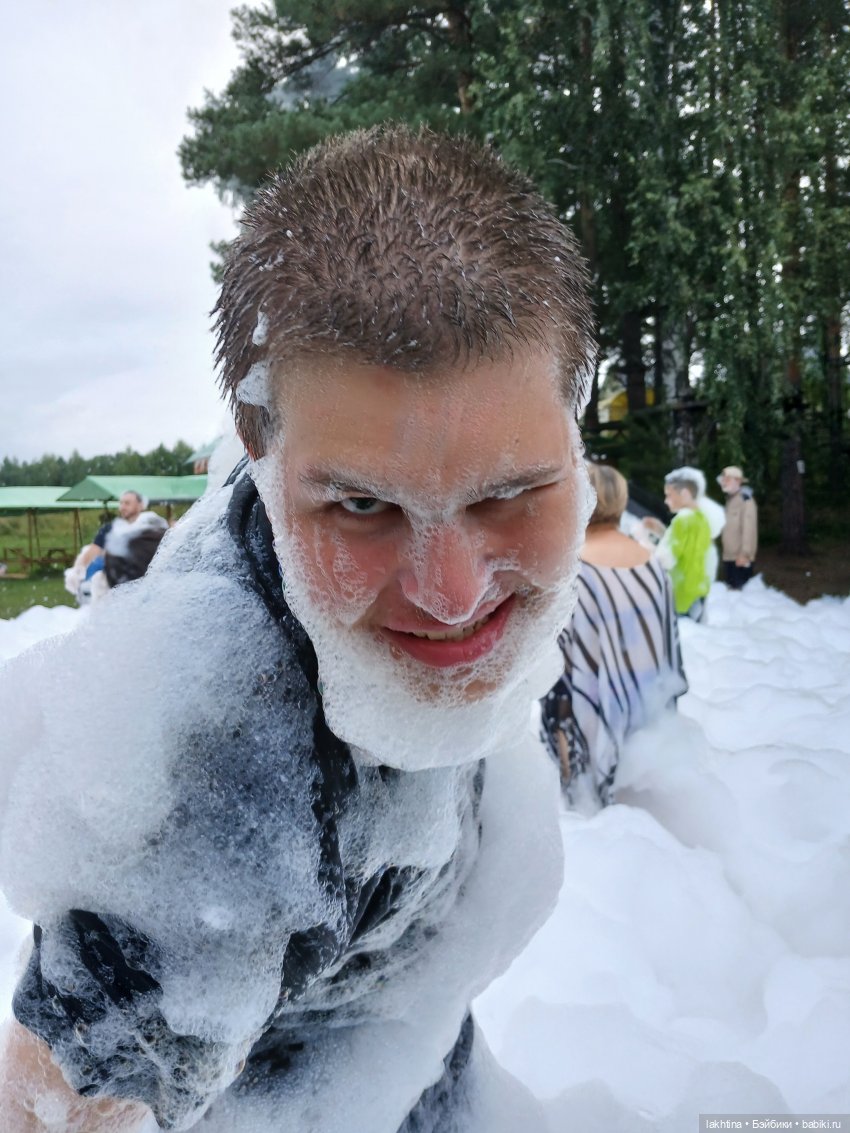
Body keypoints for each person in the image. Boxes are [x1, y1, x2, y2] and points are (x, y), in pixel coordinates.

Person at [0, 126, 595, 1133]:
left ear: (576, 415)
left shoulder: (323, 466)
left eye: (513, 493)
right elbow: (49, 1105)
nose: (452, 597)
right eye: (362, 506)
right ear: (258, 448)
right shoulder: (212, 778)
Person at [540, 462, 686, 809]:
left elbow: (557, 672)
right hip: (649, 709)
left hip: (593, 712)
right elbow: (668, 644)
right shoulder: (652, 563)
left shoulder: (571, 569)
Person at [650, 467, 713, 622]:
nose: (666, 500)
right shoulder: (702, 519)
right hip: (698, 590)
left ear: (684, 494)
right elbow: (688, 549)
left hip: (680, 595)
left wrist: (643, 543)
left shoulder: (682, 520)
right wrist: (663, 532)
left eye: (669, 495)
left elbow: (666, 560)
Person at [718, 465, 758, 589]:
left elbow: (749, 529)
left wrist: (745, 554)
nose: (724, 482)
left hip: (740, 559)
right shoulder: (731, 500)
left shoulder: (746, 500)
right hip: (729, 557)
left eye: (727, 479)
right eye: (723, 479)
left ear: (738, 481)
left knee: (740, 597)